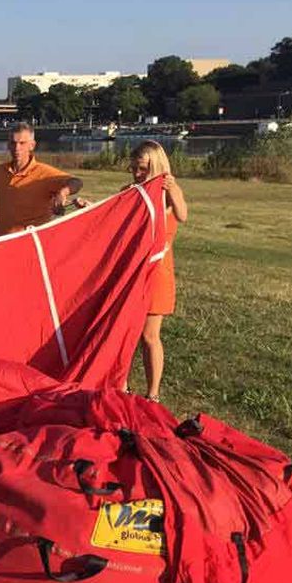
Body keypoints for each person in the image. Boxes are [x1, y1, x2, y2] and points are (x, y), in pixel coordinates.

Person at [126, 140, 188, 403]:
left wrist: (171, 189)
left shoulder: (168, 193)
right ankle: (122, 386)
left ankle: (153, 394)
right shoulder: (131, 192)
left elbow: (183, 215)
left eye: (142, 169)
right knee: (125, 333)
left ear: (156, 166)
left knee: (150, 336)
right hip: (132, 276)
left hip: (158, 276)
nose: (137, 174)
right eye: (133, 169)